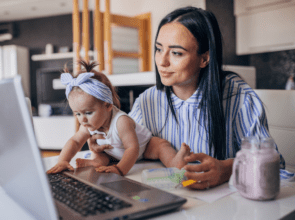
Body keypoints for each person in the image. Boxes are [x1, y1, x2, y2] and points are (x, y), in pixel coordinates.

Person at [89, 6, 285, 189]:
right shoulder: (148, 101)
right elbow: (130, 152)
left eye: (176, 53)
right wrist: (106, 151)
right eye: (158, 49)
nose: (162, 61)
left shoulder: (239, 97)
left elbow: (276, 165)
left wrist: (227, 170)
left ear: (204, 58)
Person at [46, 60, 191, 176]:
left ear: (108, 105)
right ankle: (95, 163)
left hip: (144, 148)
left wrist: (120, 169)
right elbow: (75, 141)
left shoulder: (121, 122)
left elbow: (132, 149)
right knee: (100, 153)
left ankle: (175, 161)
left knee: (161, 146)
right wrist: (63, 160)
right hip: (114, 154)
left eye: (88, 113)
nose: (82, 120)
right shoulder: (87, 124)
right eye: (77, 114)